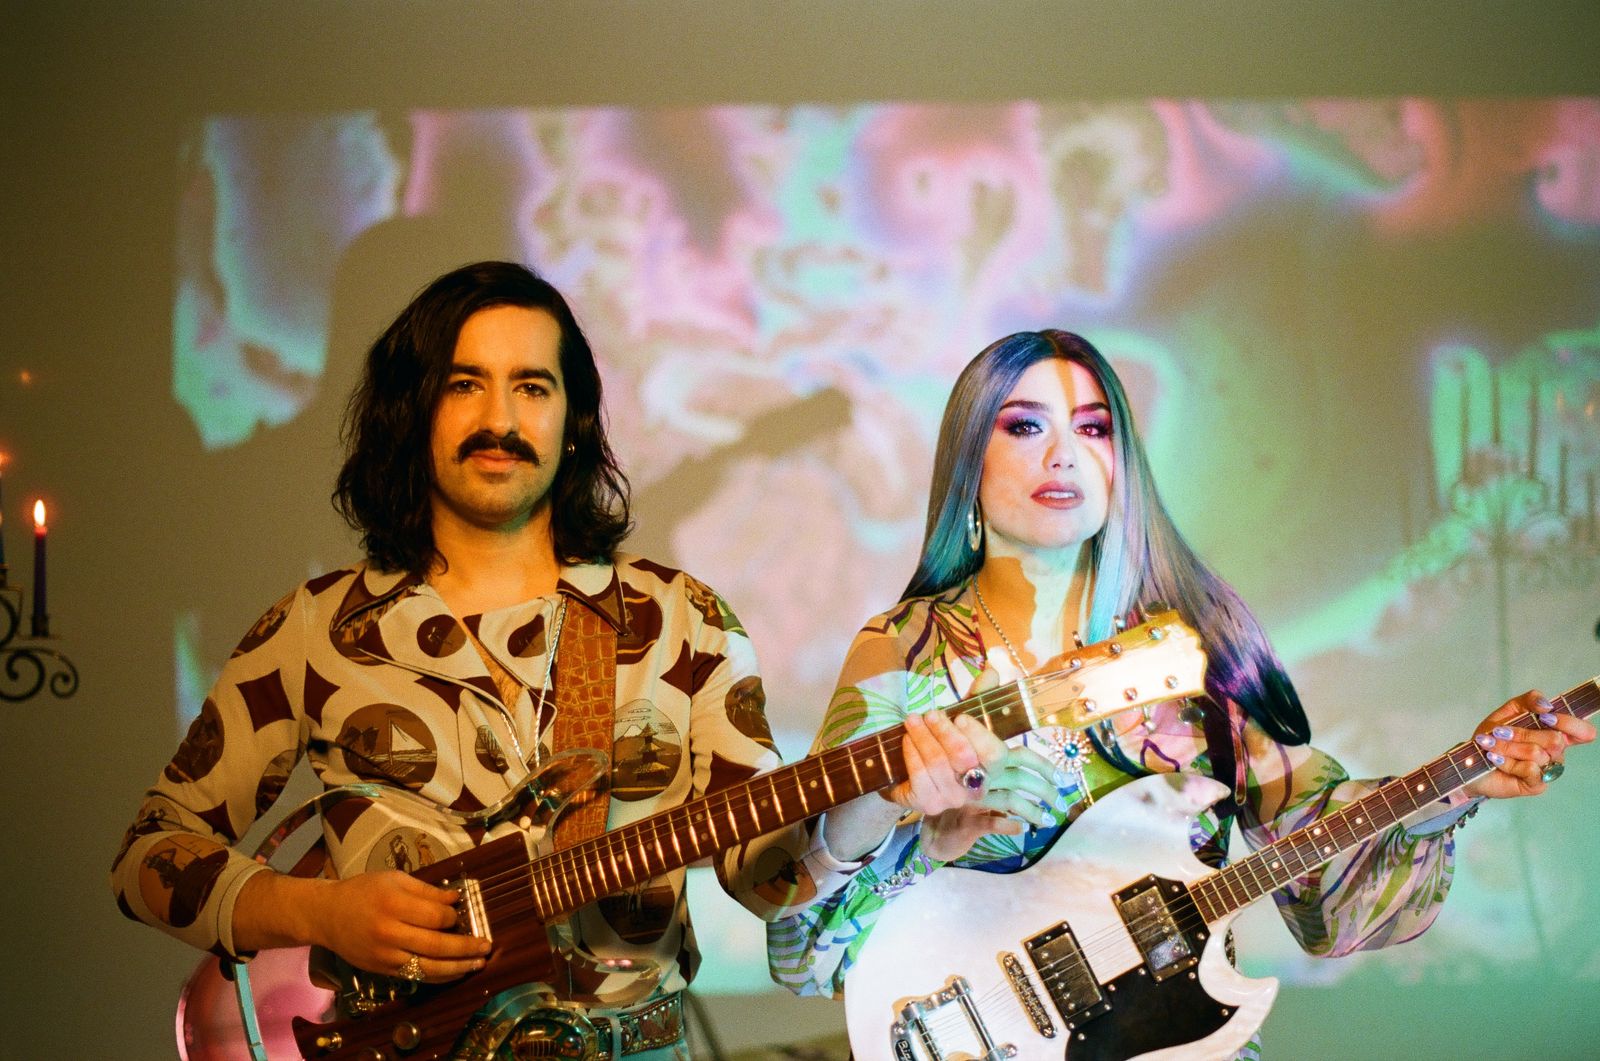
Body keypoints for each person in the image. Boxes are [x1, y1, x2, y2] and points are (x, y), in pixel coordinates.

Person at [764, 329, 1592, 1057]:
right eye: (1025, 425)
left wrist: (1457, 783)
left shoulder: (1195, 641)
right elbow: (807, 953)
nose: (1064, 454)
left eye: (1094, 427)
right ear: (967, 458)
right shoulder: (904, 649)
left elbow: (1316, 861)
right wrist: (907, 822)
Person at [112, 261, 802, 1060]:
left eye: (532, 387)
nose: (499, 419)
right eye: (464, 384)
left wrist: (869, 812)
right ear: (415, 411)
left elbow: (772, 879)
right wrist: (320, 912)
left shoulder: (683, 619)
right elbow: (147, 856)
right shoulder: (314, 629)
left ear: (574, 420)